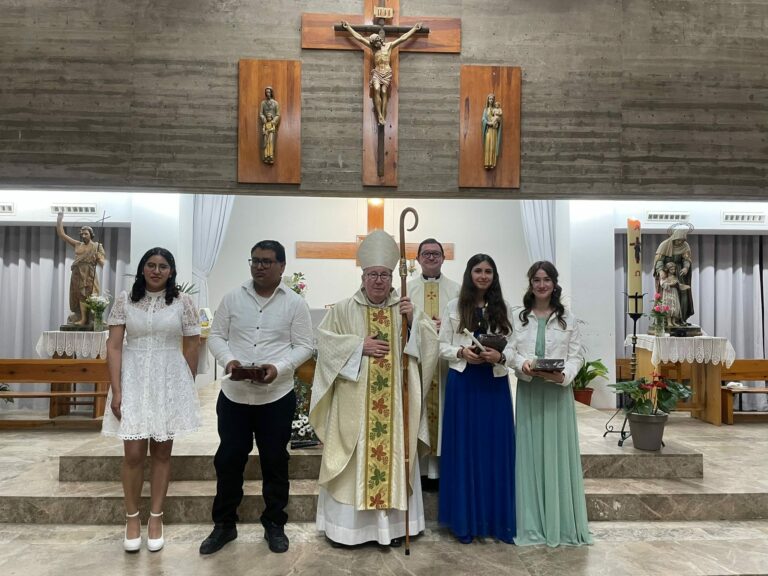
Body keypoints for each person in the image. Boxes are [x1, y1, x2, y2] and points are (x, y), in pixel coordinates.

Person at [310, 230, 439, 547]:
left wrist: (414, 326)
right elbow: (324, 344)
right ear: (363, 276)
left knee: (395, 458)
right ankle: (348, 531)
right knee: (355, 462)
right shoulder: (343, 309)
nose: (378, 281)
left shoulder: (406, 308)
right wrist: (357, 346)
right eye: (372, 275)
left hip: (395, 407)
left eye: (384, 274)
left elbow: (430, 349)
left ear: (393, 276)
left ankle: (393, 529)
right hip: (355, 406)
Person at [200, 240, 313, 556]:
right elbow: (217, 336)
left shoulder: (295, 303)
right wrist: (230, 362)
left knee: (275, 461)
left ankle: (274, 523)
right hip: (235, 396)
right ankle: (224, 525)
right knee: (228, 460)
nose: (259, 266)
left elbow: (305, 344)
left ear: (282, 266)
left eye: (266, 261)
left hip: (276, 397)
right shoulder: (234, 297)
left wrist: (278, 368)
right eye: (255, 260)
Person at [102, 247, 201, 553]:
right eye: (151, 265)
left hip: (167, 380)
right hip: (132, 378)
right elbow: (115, 347)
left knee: (161, 453)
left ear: (171, 271)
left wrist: (183, 386)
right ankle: (132, 518)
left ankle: (155, 518)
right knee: (132, 453)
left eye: (163, 266)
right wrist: (117, 391)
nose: (156, 270)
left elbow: (193, 345)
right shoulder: (125, 300)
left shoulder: (183, 302)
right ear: (142, 269)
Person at [508, 261, 592, 547]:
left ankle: (561, 523)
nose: (541, 285)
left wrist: (564, 375)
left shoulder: (567, 318)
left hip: (556, 394)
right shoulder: (519, 317)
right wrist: (524, 364)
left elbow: (577, 356)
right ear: (530, 284)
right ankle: (531, 522)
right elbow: (509, 351)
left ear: (554, 284)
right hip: (531, 392)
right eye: (536, 279)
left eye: (546, 280)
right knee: (530, 455)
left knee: (556, 455)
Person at [438, 254, 516, 544]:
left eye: (488, 271)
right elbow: (441, 345)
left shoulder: (504, 308)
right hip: (465, 383)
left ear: (494, 276)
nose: (483, 276)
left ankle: (496, 521)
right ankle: (465, 521)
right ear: (469, 274)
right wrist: (461, 352)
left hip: (493, 384)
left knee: (494, 449)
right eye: (478, 271)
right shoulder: (454, 307)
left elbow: (515, 346)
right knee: (465, 450)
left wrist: (501, 355)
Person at [407, 238, 460, 488]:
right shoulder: (405, 290)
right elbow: (400, 326)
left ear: (443, 258)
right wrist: (422, 326)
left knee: (446, 414)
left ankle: (442, 470)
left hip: (447, 366)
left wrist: (448, 327)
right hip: (418, 363)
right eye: (426, 254)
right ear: (417, 259)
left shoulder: (458, 291)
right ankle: (421, 472)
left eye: (435, 253)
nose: (431, 257)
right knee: (418, 412)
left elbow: (465, 326)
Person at [340, 21, 423, 126]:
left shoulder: (389, 46)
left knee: (384, 92)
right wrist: (348, 28)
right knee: (377, 89)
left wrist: (414, 29)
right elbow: (359, 38)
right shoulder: (373, 48)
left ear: (379, 40)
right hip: (377, 73)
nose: (376, 44)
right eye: (374, 43)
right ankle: (379, 115)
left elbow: (403, 38)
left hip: (387, 72)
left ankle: (383, 116)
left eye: (376, 42)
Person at [56, 211, 106, 325]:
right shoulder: (77, 244)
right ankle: (83, 318)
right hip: (77, 273)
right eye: (82, 234)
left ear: (91, 234)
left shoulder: (97, 246)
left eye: (86, 234)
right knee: (80, 295)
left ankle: (94, 317)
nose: (83, 236)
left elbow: (103, 263)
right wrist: (59, 219)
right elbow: (61, 234)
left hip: (90, 273)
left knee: (92, 294)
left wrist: (98, 258)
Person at [653, 226, 694, 324]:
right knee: (665, 297)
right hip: (666, 273)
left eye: (682, 240)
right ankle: (664, 320)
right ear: (674, 237)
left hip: (679, 273)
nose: (680, 242)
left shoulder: (685, 246)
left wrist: (686, 267)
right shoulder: (664, 245)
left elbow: (687, 259)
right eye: (678, 240)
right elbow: (659, 260)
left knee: (683, 296)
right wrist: (660, 271)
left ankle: (680, 319)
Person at [660, 262, 687, 326]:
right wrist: (670, 284)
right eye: (671, 269)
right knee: (668, 306)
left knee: (675, 305)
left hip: (674, 292)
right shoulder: (664, 277)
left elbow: (678, 284)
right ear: (667, 269)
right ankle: (669, 321)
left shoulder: (675, 277)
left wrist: (682, 286)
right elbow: (662, 284)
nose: (673, 271)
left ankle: (674, 321)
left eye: (674, 269)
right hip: (668, 292)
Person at [259, 87, 280, 164]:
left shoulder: (275, 103)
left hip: (272, 127)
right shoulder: (263, 103)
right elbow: (261, 113)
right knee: (265, 143)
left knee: (271, 142)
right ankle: (265, 156)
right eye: (266, 92)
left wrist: (273, 121)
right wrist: (263, 118)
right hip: (265, 125)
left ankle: (271, 157)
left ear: (271, 93)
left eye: (269, 92)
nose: (268, 94)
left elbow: (278, 114)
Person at [482, 94, 502, 169]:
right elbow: (483, 119)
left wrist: (498, 120)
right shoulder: (486, 110)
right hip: (488, 130)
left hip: (494, 130)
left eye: (492, 99)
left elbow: (499, 119)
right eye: (490, 99)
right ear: (488, 100)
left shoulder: (496, 109)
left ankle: (493, 163)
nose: (491, 100)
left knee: (493, 145)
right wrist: (488, 123)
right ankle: (487, 163)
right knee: (488, 146)